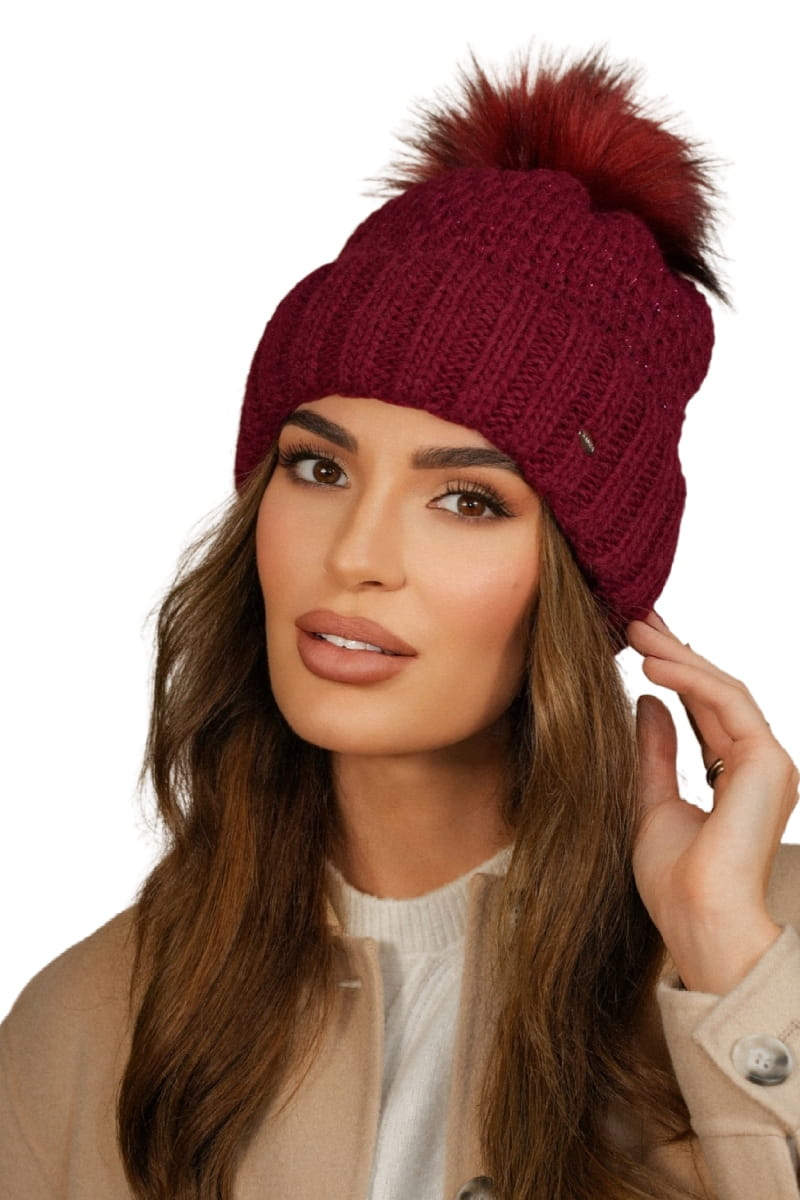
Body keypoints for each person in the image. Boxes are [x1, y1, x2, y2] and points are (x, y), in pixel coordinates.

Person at [1, 45, 798, 1200]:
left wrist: (723, 952)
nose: (357, 555)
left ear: (582, 585)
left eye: (465, 499)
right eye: (318, 468)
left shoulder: (762, 950)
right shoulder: (83, 1029)